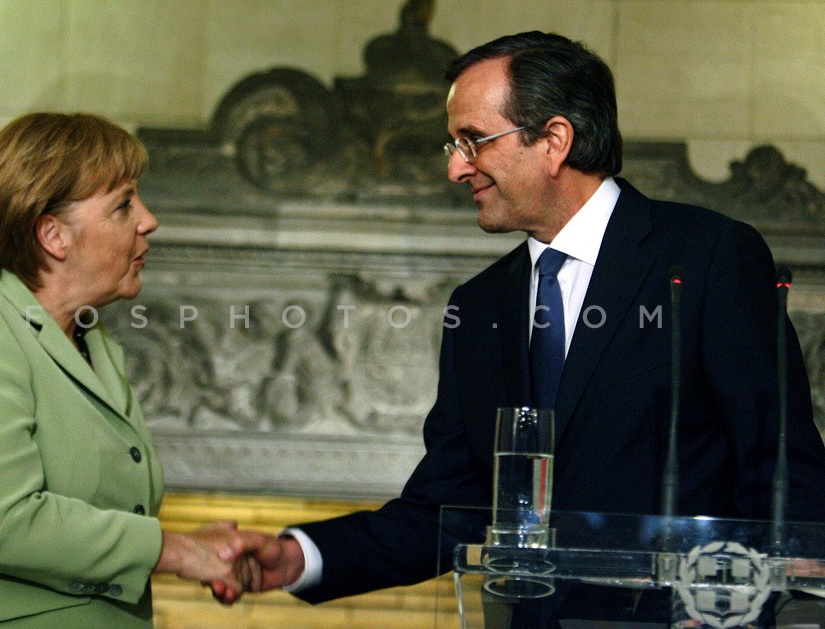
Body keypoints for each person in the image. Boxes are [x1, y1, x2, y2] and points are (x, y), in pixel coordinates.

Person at [216, 31, 825, 626]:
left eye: (472, 142)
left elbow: (781, 470)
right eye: (452, 146)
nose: (456, 169)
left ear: (554, 139)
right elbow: (447, 507)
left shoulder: (705, 257)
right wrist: (300, 556)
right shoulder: (479, 306)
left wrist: (744, 613)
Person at [0, 112, 253, 628]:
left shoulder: (93, 343)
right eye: (124, 204)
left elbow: (91, 531)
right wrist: (174, 551)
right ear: (53, 235)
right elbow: (3, 525)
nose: (149, 220)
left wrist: (191, 545)